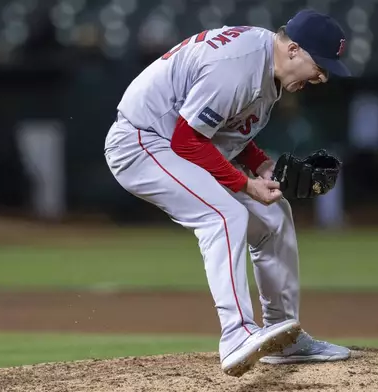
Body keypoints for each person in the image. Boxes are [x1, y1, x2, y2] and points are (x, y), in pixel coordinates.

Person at [104, 9, 352, 377]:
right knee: (224, 215)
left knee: (272, 215)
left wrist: (262, 165)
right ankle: (235, 334)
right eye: (321, 66)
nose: (322, 77)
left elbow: (224, 129)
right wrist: (245, 183)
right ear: (295, 49)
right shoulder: (238, 67)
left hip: (171, 141)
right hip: (141, 142)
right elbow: (188, 140)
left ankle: (282, 338)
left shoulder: (267, 66)